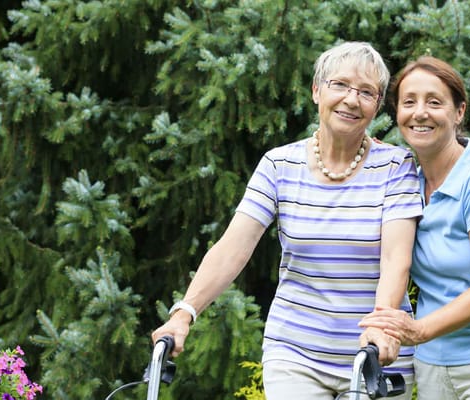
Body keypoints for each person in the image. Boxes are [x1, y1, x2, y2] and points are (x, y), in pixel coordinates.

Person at [151, 41, 423, 399]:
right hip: (295, 353)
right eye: (339, 85)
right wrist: (184, 312)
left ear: (376, 106)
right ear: (316, 91)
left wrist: (381, 326)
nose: (351, 99)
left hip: (376, 353)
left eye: (366, 92)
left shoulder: (396, 167)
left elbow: (395, 259)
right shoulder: (279, 165)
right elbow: (234, 246)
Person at [359, 56, 470, 399]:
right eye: (408, 102)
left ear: (459, 112)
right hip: (433, 366)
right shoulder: (407, 182)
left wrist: (420, 329)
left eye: (434, 102)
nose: (420, 112)